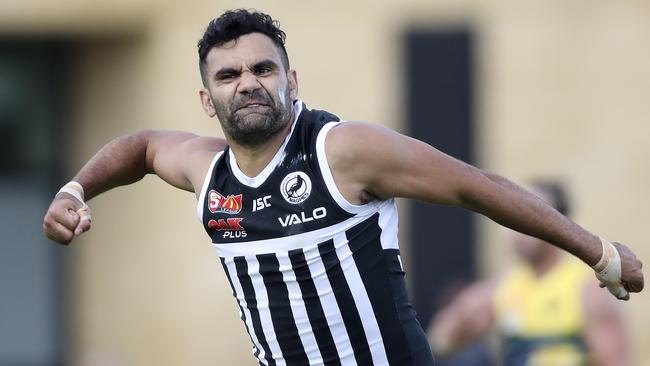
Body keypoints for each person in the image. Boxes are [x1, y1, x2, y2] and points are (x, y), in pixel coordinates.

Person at [42, 9, 643, 366]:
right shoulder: (208, 171)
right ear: (208, 99)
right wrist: (74, 189)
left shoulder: (343, 151)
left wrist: (598, 252)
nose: (247, 83)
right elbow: (143, 146)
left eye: (263, 68)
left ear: (291, 79)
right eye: (228, 75)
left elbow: (476, 187)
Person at [427, 181, 629, 366]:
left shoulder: (587, 291)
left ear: (560, 226)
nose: (518, 229)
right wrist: (462, 327)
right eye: (513, 218)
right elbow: (439, 340)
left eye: (529, 219)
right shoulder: (501, 289)